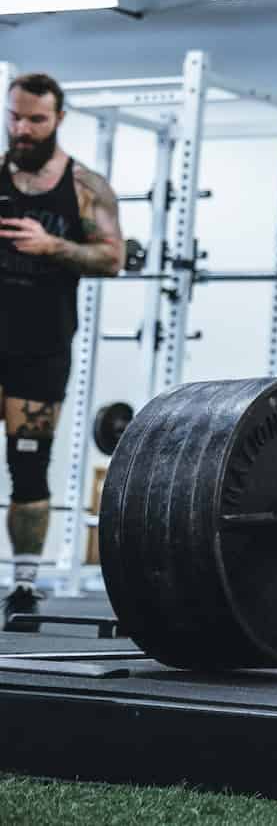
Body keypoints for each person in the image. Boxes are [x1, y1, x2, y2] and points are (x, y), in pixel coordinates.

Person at [0, 73, 124, 623]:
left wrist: (52, 245)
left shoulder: (86, 187)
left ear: (59, 119)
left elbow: (112, 258)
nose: (22, 130)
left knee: (28, 467)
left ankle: (24, 586)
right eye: (14, 117)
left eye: (35, 120)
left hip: (41, 344)